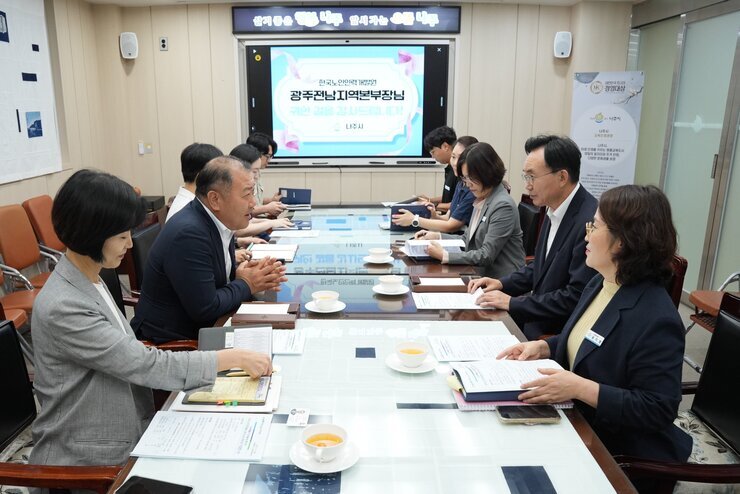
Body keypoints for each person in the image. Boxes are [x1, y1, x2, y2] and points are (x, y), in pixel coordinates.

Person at [29, 169, 272, 469]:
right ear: (91, 235)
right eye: (122, 236)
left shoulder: (88, 278)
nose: (130, 245)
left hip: (127, 424)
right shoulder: (63, 305)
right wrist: (229, 358)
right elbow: (142, 364)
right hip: (88, 455)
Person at [497, 185, 692, 482]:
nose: (586, 235)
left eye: (595, 226)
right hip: (578, 422)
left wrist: (580, 388)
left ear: (623, 242)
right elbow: (588, 339)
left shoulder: (656, 318)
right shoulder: (603, 282)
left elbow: (657, 408)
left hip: (619, 451)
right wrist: (545, 347)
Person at [132, 157, 287, 342]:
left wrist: (242, 275)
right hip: (176, 341)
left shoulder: (217, 220)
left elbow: (216, 282)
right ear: (215, 199)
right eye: (247, 194)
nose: (253, 203)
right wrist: (247, 283)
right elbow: (206, 308)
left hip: (210, 326)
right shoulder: (189, 233)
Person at [469, 135, 598, 339]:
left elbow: (575, 296)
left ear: (562, 177)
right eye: (525, 177)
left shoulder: (589, 222)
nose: (527, 186)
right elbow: (539, 266)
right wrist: (502, 284)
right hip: (534, 321)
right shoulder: (553, 207)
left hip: (553, 335)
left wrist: (512, 303)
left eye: (532, 177)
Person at [416, 142, 525, 278]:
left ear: (486, 173)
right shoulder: (482, 197)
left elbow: (486, 255)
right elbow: (467, 239)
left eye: (470, 178)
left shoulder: (502, 205)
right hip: (476, 274)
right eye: (464, 178)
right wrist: (436, 236)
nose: (467, 184)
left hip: (500, 281)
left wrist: (445, 255)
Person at [393, 136, 476, 233]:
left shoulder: (472, 189)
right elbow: (447, 218)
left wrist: (414, 220)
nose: (455, 163)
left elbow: (451, 226)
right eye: (453, 157)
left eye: (460, 158)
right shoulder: (461, 183)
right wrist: (434, 215)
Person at [230, 143, 294, 244]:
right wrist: (270, 223)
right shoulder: (232, 193)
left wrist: (272, 222)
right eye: (254, 171)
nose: (257, 176)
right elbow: (237, 229)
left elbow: (248, 220)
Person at [166, 142, 222, 222]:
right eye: (216, 173)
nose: (220, 179)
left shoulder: (192, 202)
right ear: (202, 175)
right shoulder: (187, 210)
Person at [415, 125, 458, 212]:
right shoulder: (449, 169)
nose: (432, 157)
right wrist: (429, 200)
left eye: (433, 152)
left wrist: (430, 204)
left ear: (445, 146)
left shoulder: (458, 171)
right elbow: (449, 197)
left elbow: (457, 204)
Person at [247, 132, 285, 217]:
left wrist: (271, 200)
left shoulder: (258, 172)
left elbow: (257, 200)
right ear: (256, 153)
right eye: (267, 156)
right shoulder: (245, 174)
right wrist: (267, 208)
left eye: (271, 157)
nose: (269, 160)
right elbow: (245, 210)